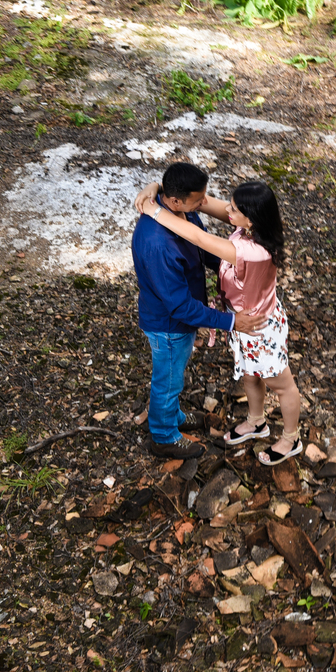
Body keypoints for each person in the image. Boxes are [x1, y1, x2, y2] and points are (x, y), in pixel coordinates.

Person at [135, 179, 304, 466]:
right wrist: (156, 187)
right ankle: (257, 422)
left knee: (282, 385)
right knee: (250, 376)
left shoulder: (251, 250)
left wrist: (154, 211)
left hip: (259, 329)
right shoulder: (252, 227)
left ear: (250, 218)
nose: (228, 211)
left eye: (235, 209)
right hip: (243, 325)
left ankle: (291, 438)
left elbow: (199, 239)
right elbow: (200, 200)